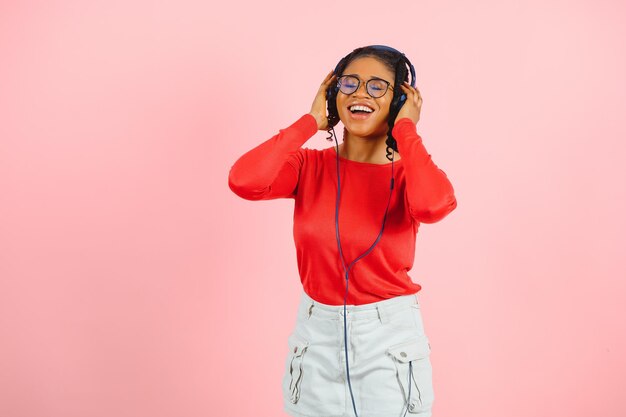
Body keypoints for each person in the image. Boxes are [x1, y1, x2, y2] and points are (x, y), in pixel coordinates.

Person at [228, 45, 457, 417]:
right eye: (349, 83)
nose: (360, 93)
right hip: (315, 338)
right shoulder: (309, 166)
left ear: (399, 100)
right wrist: (310, 122)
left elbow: (433, 206)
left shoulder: (411, 174)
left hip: (388, 342)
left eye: (378, 87)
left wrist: (407, 130)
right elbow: (244, 181)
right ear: (334, 94)